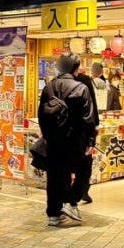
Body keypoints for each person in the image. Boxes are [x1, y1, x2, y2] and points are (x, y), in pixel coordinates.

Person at [39, 53, 97, 226]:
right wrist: (90, 141)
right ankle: (71, 202)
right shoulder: (81, 88)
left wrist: (47, 136)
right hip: (75, 140)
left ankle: (53, 215)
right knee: (84, 169)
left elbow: (41, 115)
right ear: (76, 68)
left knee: (55, 176)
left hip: (53, 140)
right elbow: (88, 118)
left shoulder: (48, 87)